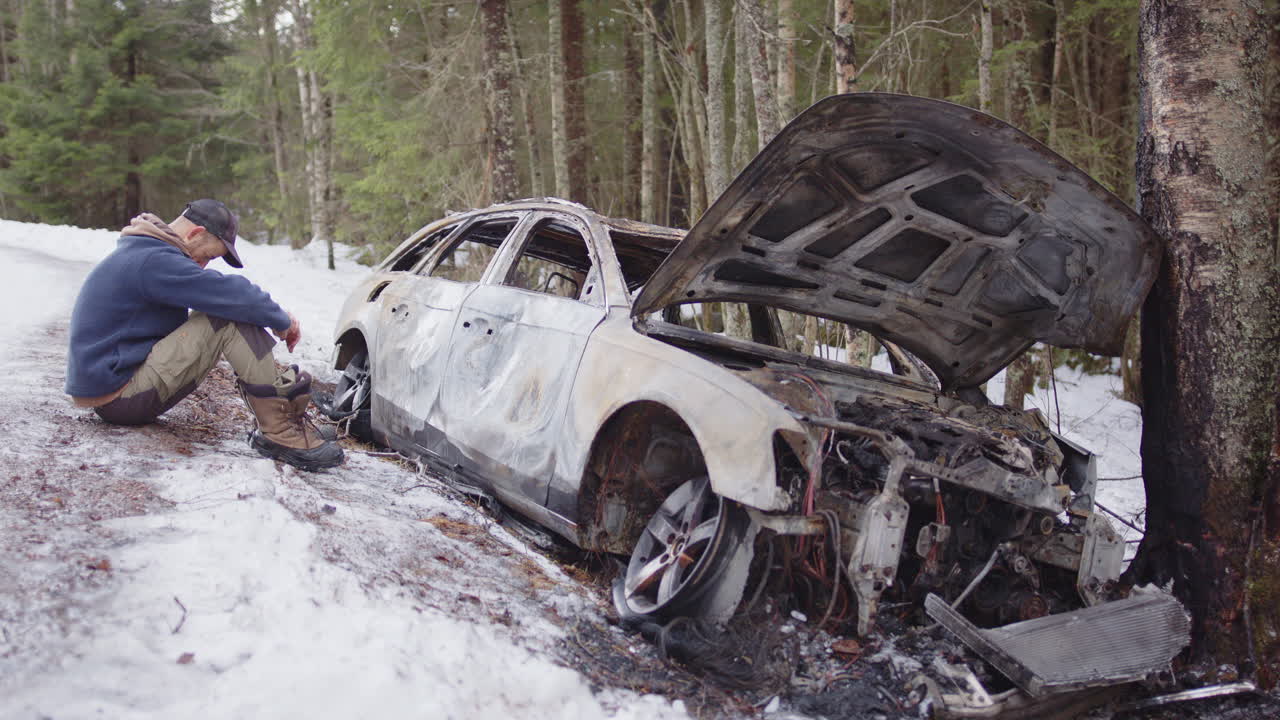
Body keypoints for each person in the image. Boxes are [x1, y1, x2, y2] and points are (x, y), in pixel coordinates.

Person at [64, 199, 344, 472]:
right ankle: (279, 430)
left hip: (115, 390)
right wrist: (283, 321)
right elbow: (238, 296)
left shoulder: (146, 252)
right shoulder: (154, 260)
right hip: (120, 398)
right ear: (196, 233)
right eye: (210, 256)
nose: (204, 265)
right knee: (225, 314)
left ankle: (281, 420)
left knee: (229, 308)